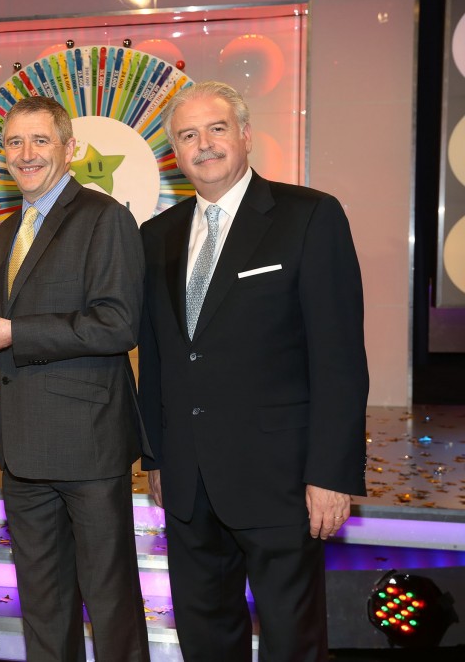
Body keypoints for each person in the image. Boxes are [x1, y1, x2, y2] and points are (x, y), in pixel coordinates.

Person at [137, 80, 369, 661]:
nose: (204, 144)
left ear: (244, 135)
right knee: (205, 638)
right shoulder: (156, 236)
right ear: (175, 153)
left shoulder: (309, 216)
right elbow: (160, 356)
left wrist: (333, 473)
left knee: (292, 641)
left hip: (283, 481)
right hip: (188, 483)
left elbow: (339, 357)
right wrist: (157, 457)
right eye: (188, 135)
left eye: (216, 129)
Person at [0, 95, 150, 661]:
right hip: (22, 449)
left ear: (69, 149)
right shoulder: (6, 235)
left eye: (40, 141)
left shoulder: (104, 218)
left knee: (110, 601)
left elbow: (117, 324)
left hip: (89, 445)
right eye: (15, 143)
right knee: (44, 605)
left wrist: (15, 332)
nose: (26, 154)